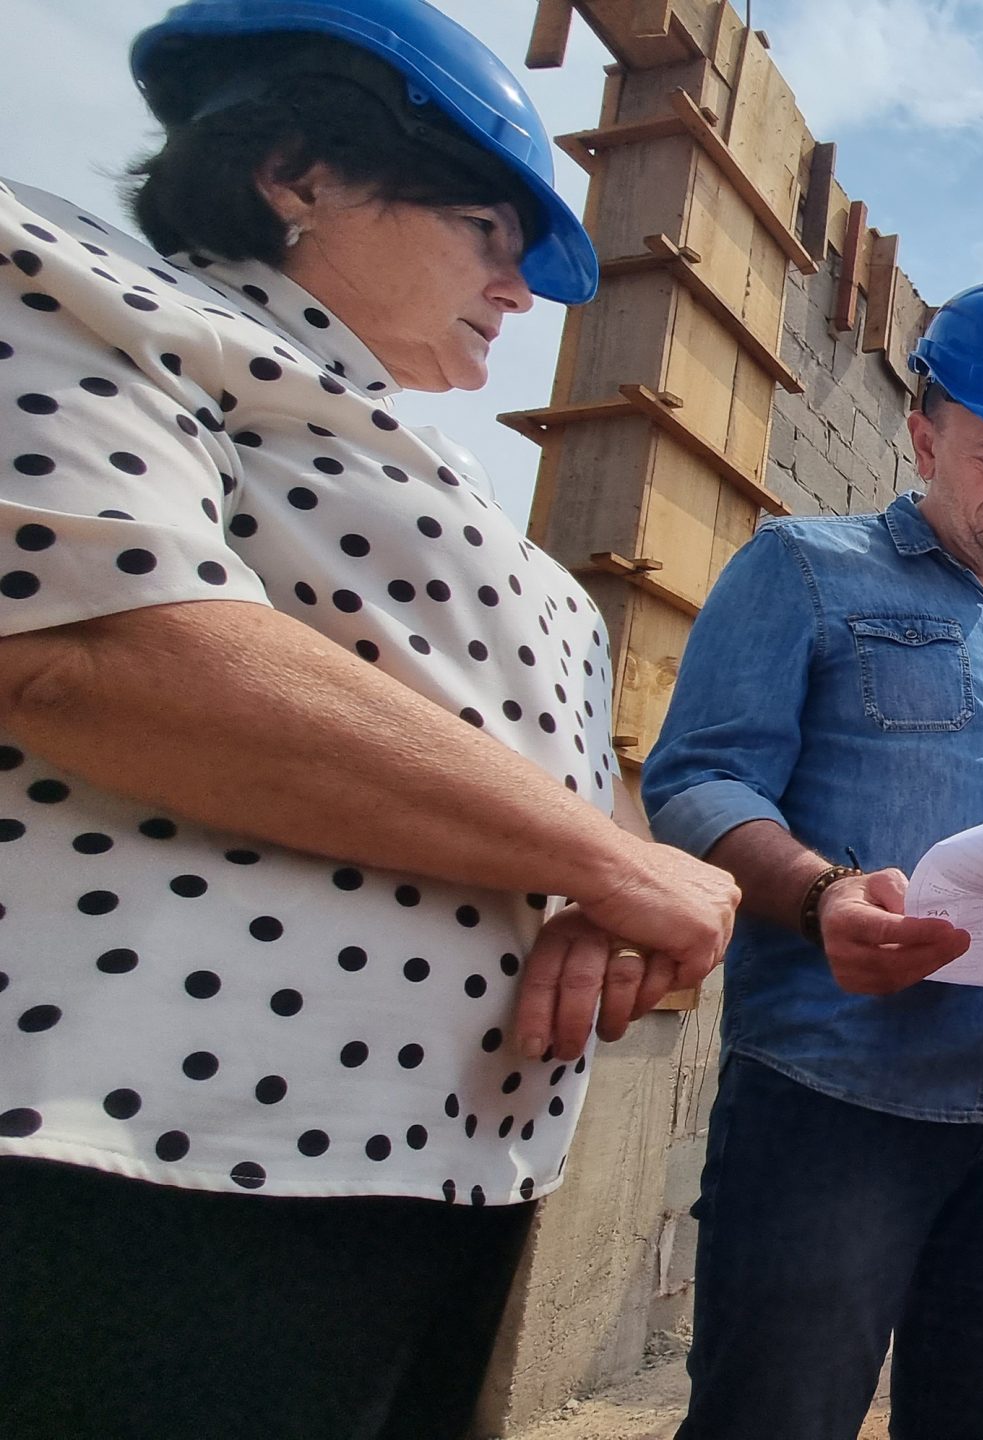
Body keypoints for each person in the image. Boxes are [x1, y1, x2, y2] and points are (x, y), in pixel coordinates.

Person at [0, 2, 742, 1436]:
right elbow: (102, 646)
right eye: (486, 230)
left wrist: (595, 892)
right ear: (300, 171)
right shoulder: (71, 280)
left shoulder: (405, 454)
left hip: (443, 1168)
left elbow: (542, 776)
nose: (520, 289)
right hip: (160, 1157)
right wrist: (606, 865)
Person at [644, 280, 983, 1439]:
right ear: (923, 438)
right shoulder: (804, 569)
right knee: (776, 1417)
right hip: (834, 1101)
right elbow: (697, 781)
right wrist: (821, 895)